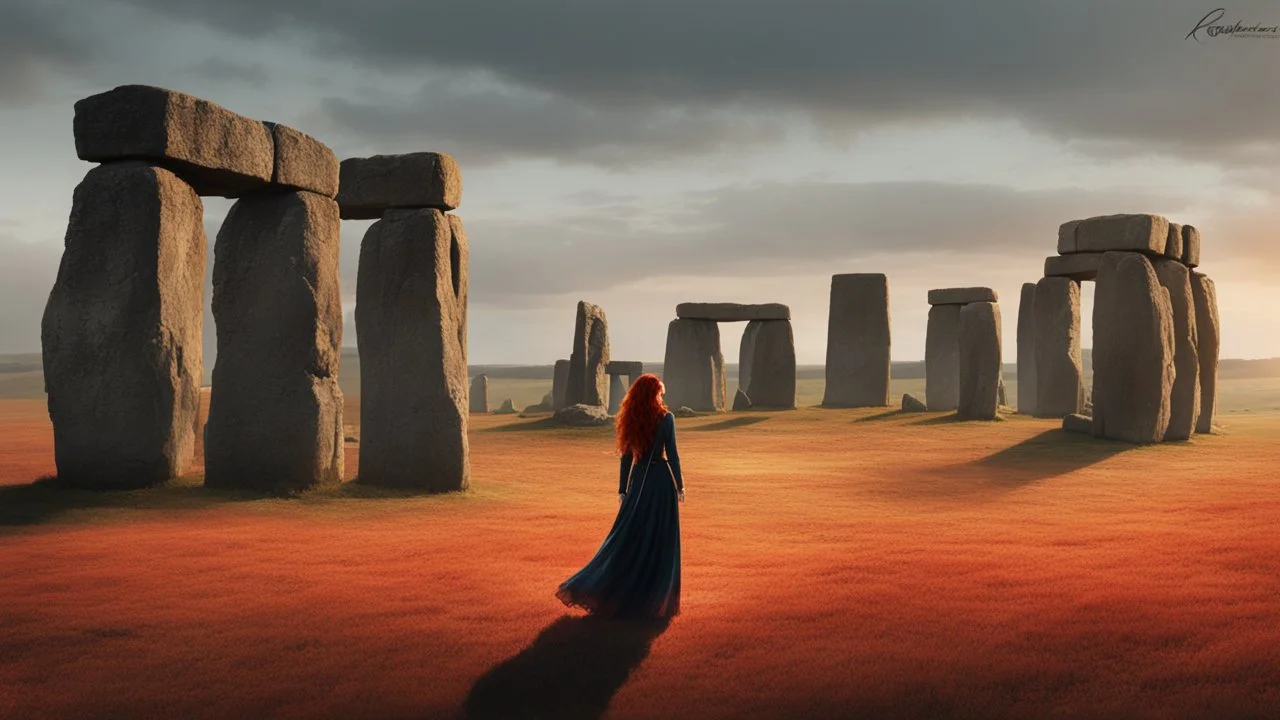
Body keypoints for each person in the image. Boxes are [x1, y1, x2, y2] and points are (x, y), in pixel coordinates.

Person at [555, 373, 684, 619]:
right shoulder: (667, 419)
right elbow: (673, 455)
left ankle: (620, 589)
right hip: (660, 482)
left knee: (629, 535)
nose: (661, 397)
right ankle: (654, 596)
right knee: (659, 538)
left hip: (637, 483)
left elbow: (626, 458)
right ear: (653, 394)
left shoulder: (632, 419)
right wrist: (680, 485)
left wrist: (623, 489)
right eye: (660, 393)